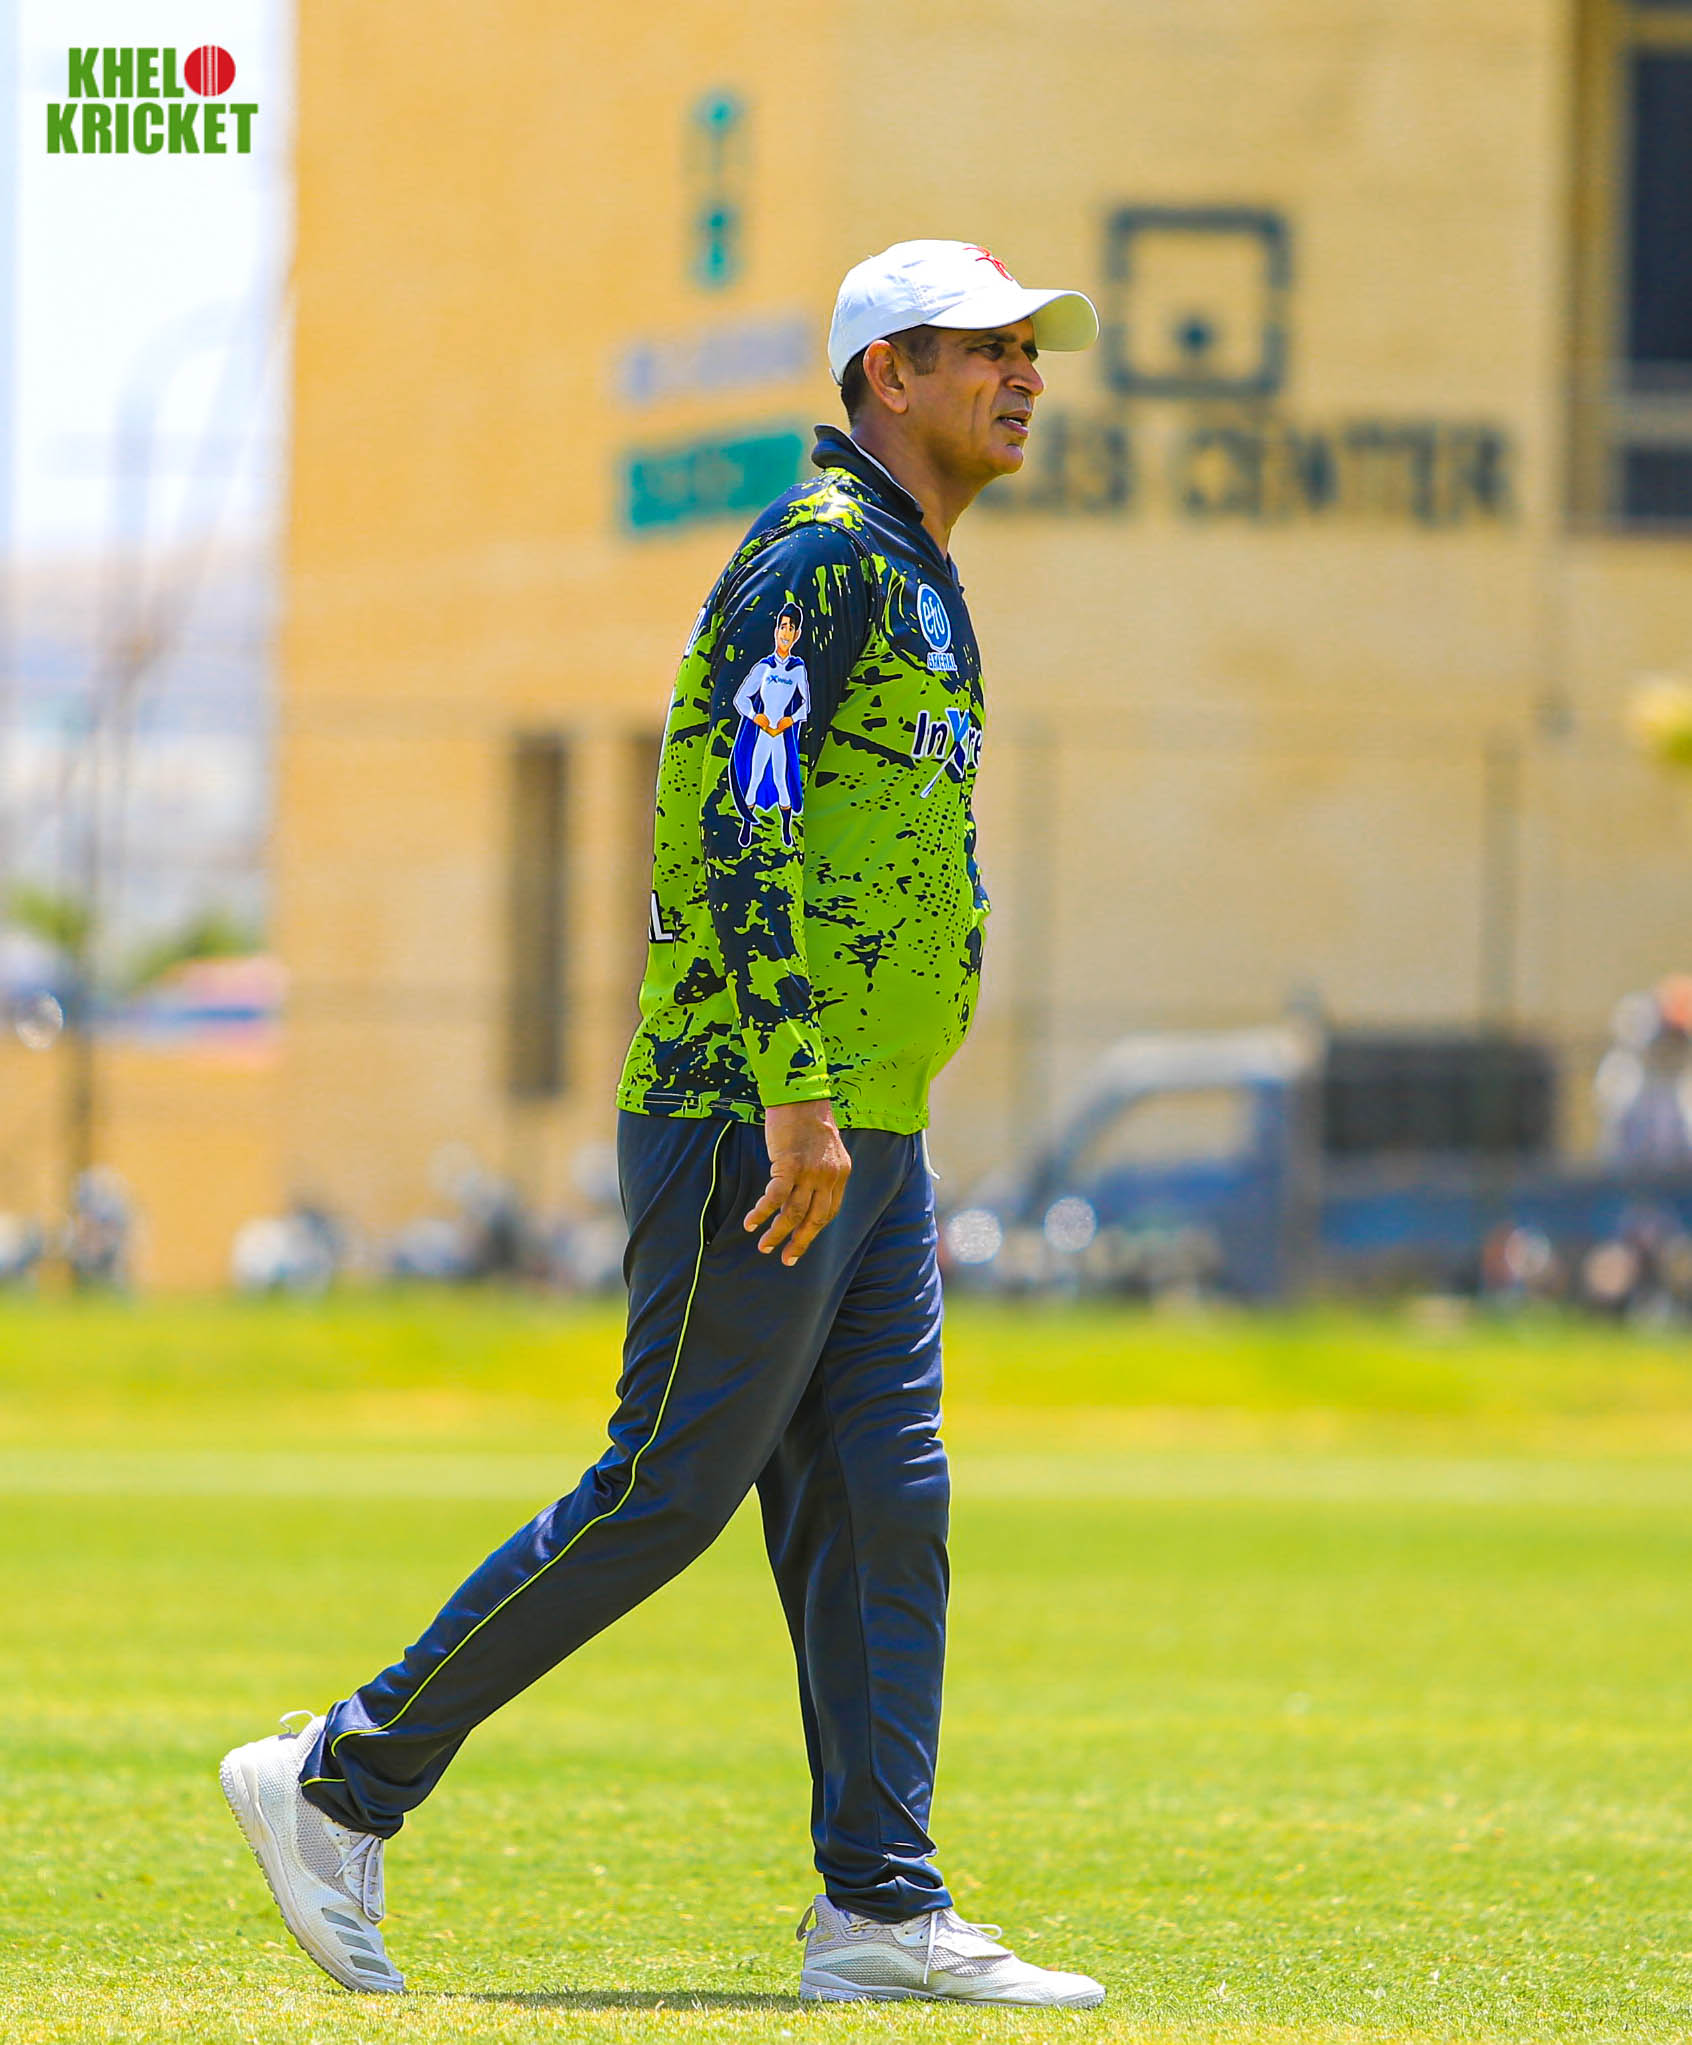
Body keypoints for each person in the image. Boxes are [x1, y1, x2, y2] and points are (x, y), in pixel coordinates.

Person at [220, 238, 1105, 2008]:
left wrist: (858, 1100)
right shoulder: (817, 559)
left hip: (870, 1127)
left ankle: (879, 1903)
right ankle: (339, 1775)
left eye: (1031, 348)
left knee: (886, 1495)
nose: (1022, 375)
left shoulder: (919, 570)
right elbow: (738, 826)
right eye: (981, 348)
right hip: (755, 1117)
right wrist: (794, 1091)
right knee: (667, 1489)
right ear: (886, 376)